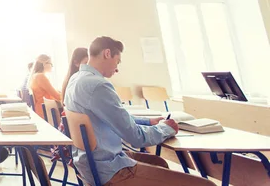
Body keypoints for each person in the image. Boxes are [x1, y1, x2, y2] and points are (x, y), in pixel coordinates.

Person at [66, 36, 215, 186]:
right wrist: (166, 128)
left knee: (159, 162)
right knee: (207, 184)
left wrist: (148, 122)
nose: (117, 68)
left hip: (88, 163)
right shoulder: (99, 86)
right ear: (107, 54)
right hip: (108, 169)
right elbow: (136, 138)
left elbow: (108, 117)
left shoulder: (75, 80)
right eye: (117, 61)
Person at [30, 54, 61, 119]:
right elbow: (57, 96)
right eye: (51, 64)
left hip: (40, 109)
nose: (52, 66)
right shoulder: (41, 77)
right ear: (44, 64)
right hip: (45, 111)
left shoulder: (35, 76)